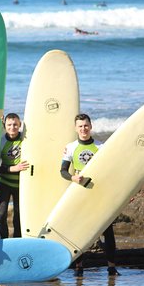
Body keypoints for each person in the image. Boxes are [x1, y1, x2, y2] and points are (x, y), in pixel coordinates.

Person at [60, 113, 119, 276]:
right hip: (79, 192)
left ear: (91, 126)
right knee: (79, 230)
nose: (83, 129)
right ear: (75, 128)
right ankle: (79, 267)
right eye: (80, 126)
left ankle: (112, 267)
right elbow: (63, 171)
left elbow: (111, 172)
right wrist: (73, 177)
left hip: (99, 191)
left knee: (107, 230)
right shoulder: (71, 147)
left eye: (86, 125)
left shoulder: (101, 147)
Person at [0, 113, 29, 238]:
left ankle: (17, 241)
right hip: (4, 184)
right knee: (1, 214)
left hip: (21, 185)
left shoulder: (26, 140)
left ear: (20, 125)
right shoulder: (1, 141)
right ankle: (3, 240)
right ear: (5, 125)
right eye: (9, 125)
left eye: (15, 124)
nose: (12, 127)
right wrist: (12, 168)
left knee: (18, 216)